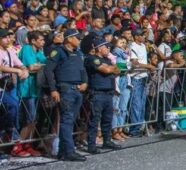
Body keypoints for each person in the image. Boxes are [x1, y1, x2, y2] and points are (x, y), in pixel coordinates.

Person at [43, 29, 88, 161]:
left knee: (70, 121)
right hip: (65, 89)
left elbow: (82, 70)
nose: (79, 40)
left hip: (78, 90)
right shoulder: (59, 52)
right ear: (68, 39)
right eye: (76, 38)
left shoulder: (78, 53)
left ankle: (63, 152)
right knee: (67, 120)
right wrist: (53, 89)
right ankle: (69, 151)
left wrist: (85, 82)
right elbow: (48, 70)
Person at [84, 37, 122, 154]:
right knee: (94, 120)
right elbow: (105, 70)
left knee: (107, 119)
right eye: (106, 46)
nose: (108, 48)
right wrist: (110, 68)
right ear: (99, 48)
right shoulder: (92, 59)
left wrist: (110, 68)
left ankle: (107, 141)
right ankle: (91, 145)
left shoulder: (107, 59)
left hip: (108, 93)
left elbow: (117, 70)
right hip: (97, 93)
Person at [14, 30, 46, 157]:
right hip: (25, 89)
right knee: (29, 119)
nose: (43, 42)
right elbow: (31, 67)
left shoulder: (38, 51)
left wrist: (39, 65)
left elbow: (46, 62)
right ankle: (18, 146)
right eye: (41, 40)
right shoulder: (27, 48)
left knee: (34, 119)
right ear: (33, 41)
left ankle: (28, 144)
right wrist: (39, 65)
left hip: (35, 89)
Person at [0, 29, 28, 150]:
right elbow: (1, 67)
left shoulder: (10, 51)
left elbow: (20, 64)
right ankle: (9, 129)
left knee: (14, 106)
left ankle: (7, 130)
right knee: (12, 105)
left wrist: (24, 70)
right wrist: (16, 70)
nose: (8, 39)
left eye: (8, 37)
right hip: (1, 84)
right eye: (5, 37)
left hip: (9, 84)